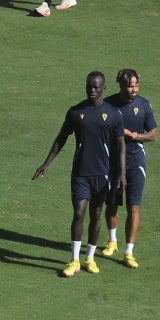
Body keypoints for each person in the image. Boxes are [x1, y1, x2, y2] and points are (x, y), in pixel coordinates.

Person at [33, 70, 127, 278]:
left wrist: (121, 173)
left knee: (96, 215)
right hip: (81, 173)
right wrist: (47, 163)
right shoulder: (76, 112)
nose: (92, 90)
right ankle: (74, 260)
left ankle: (90, 258)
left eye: (96, 86)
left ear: (104, 88)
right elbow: (61, 138)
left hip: (102, 174)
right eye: (89, 86)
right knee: (78, 213)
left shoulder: (112, 114)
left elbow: (120, 145)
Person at [103, 68, 158, 268]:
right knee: (112, 203)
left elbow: (153, 134)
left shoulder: (143, 105)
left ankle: (129, 252)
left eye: (136, 85)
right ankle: (112, 241)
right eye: (129, 85)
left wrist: (135, 135)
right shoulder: (108, 105)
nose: (133, 89)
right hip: (113, 162)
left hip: (135, 161)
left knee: (134, 206)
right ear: (121, 85)